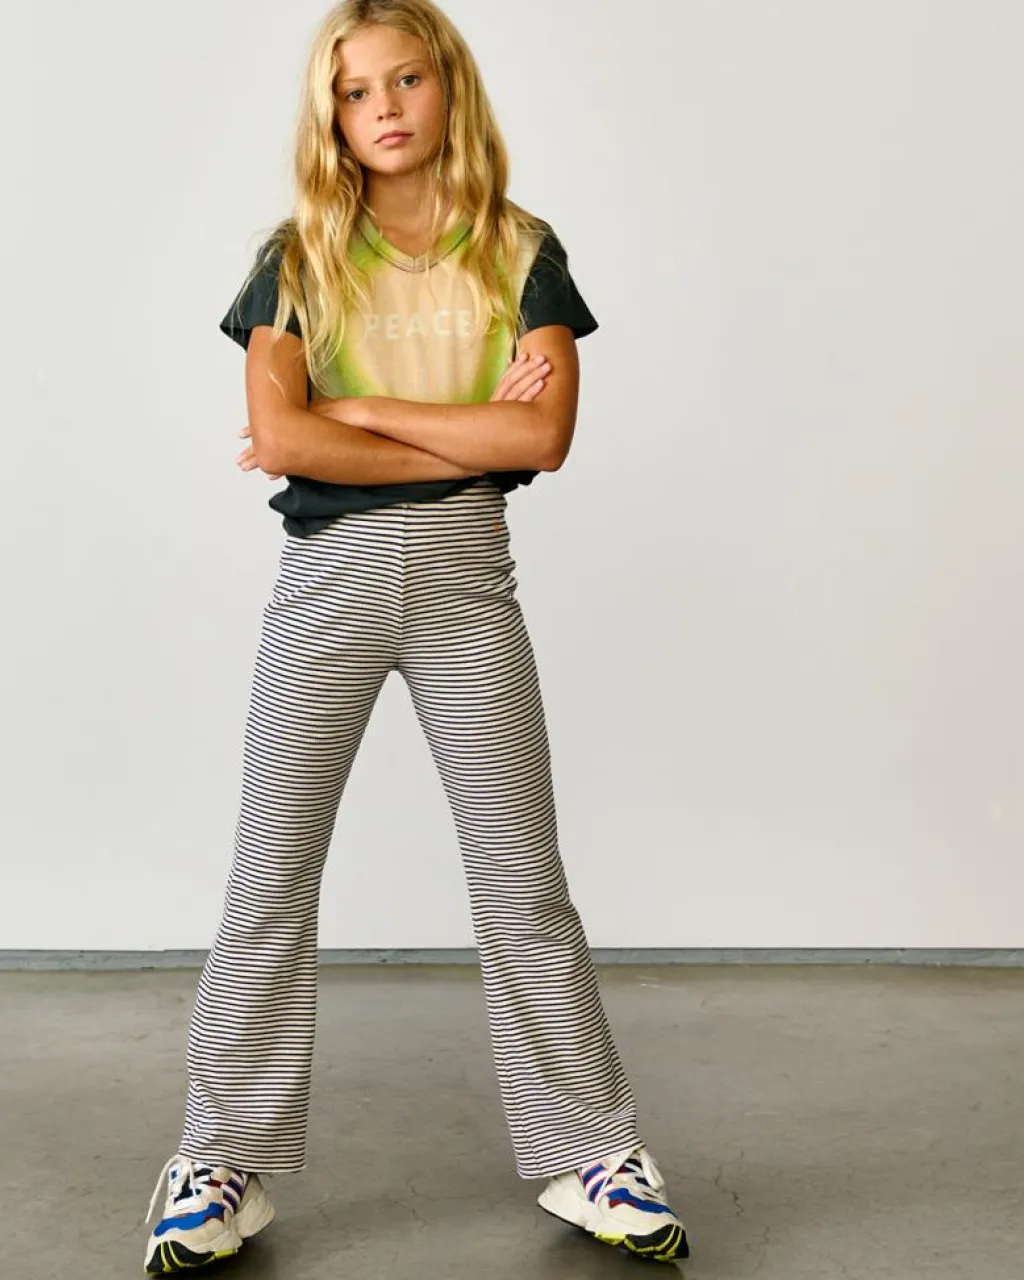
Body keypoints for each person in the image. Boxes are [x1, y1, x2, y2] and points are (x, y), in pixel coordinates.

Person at [143, 0, 690, 1270]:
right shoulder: (296, 257)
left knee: (520, 878)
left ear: (448, 88)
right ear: (329, 114)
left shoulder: (519, 250)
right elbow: (283, 437)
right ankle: (217, 1156)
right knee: (268, 878)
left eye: (405, 80)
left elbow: (541, 437)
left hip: (465, 585)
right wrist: (456, 432)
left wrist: (360, 408)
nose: (382, 108)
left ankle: (588, 1148)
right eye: (354, 91)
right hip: (324, 586)